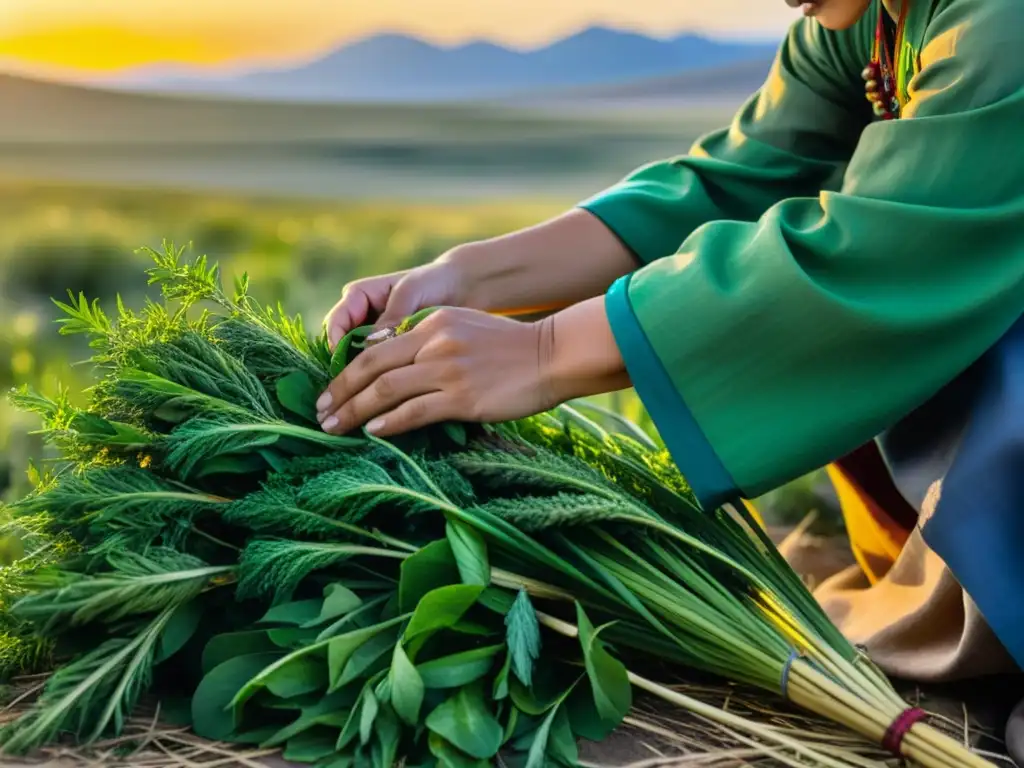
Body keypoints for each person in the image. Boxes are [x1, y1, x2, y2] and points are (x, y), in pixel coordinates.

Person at [316, 0, 1024, 759]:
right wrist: (467, 275)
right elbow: (733, 181)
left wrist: (545, 352)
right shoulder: (862, 20)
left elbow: (882, 247)